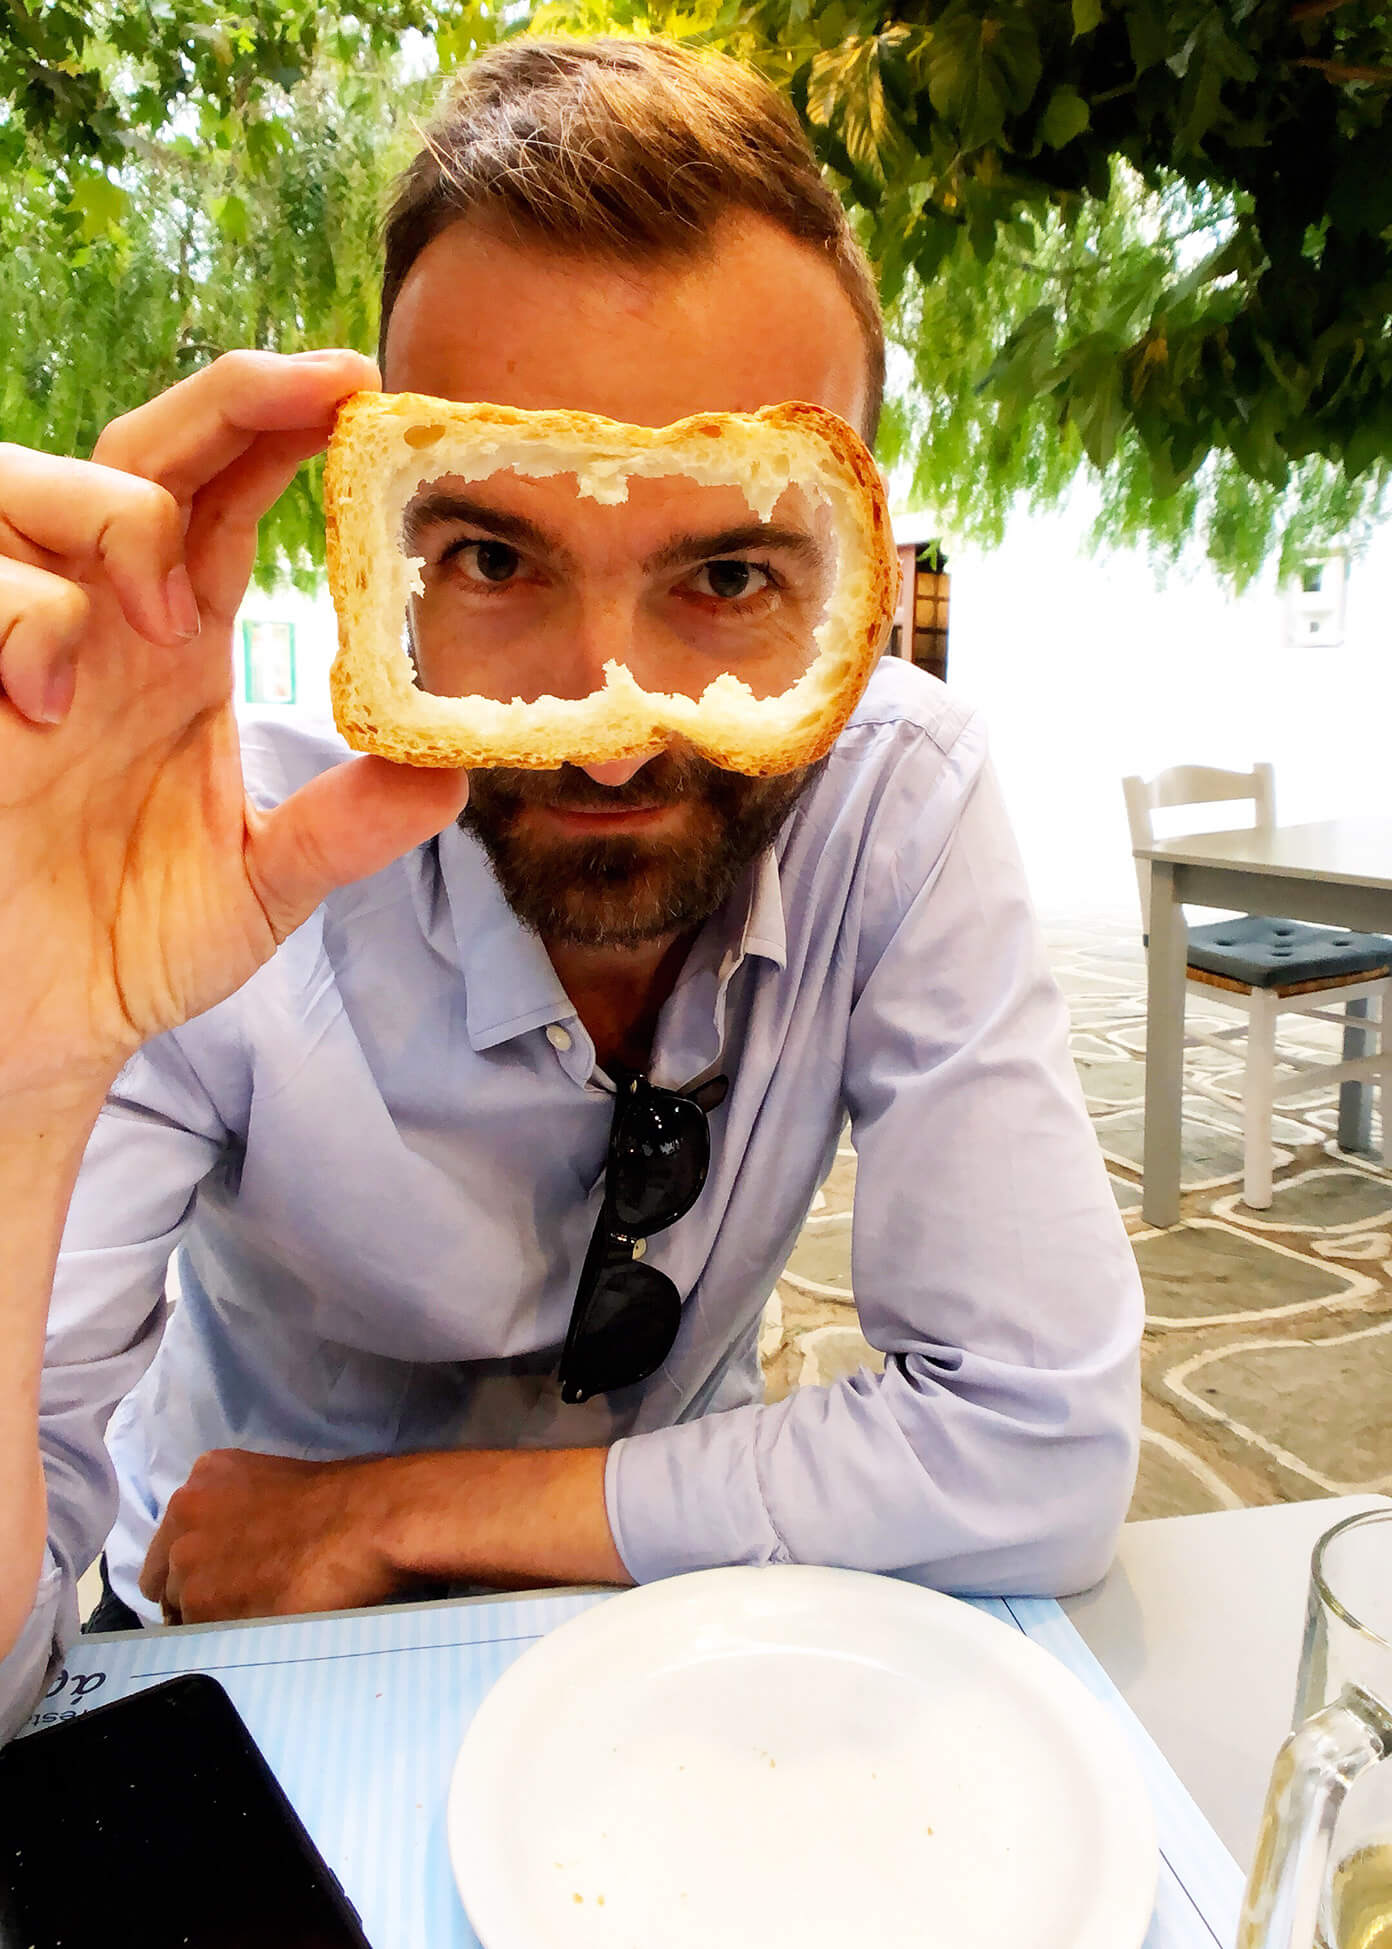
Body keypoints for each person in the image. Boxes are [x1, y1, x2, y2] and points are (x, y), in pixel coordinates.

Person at [0, 36, 1143, 1738]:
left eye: (732, 570)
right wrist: (26, 1071)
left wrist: (384, 1509)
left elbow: (1037, 1443)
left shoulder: (894, 795)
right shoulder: (200, 859)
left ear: (856, 569)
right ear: (373, 546)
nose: (609, 736)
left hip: (680, 1637)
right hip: (244, 1639)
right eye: (491, 557)